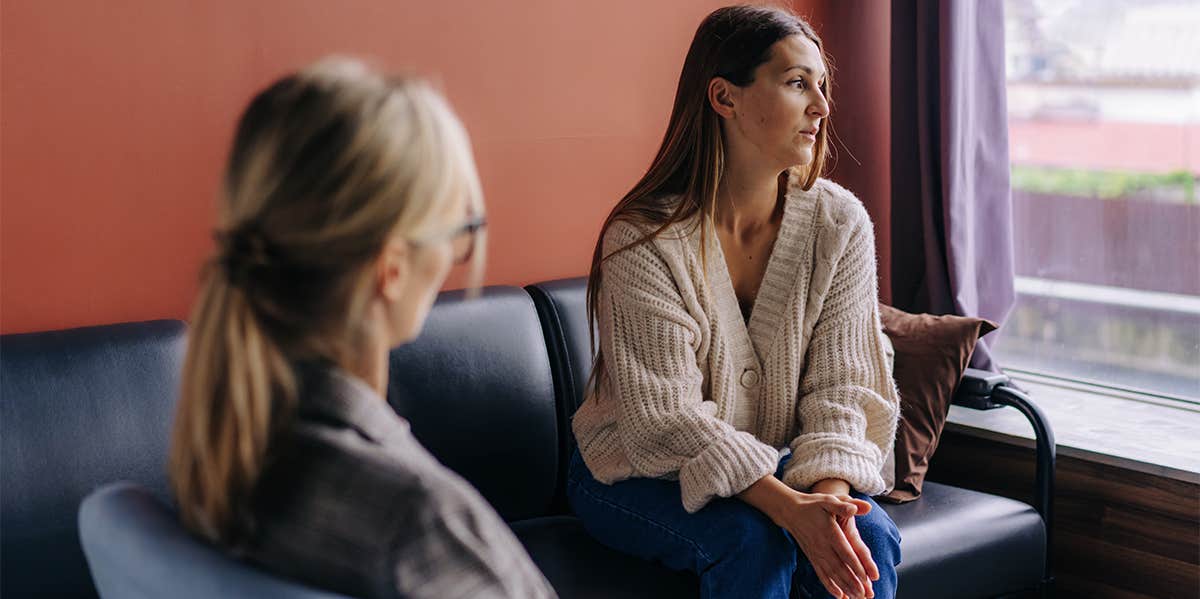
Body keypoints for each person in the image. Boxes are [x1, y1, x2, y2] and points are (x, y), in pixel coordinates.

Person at [168, 58, 556, 599]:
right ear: (391, 270)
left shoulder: (219, 459)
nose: (458, 256)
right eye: (458, 232)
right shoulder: (420, 523)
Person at [568, 6, 902, 599]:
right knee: (750, 542)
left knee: (866, 538)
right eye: (798, 83)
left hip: (778, 465)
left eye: (821, 86)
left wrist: (824, 505)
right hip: (633, 470)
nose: (822, 108)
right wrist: (788, 510)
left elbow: (843, 390)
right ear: (725, 97)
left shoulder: (839, 223)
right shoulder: (645, 239)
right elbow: (666, 420)